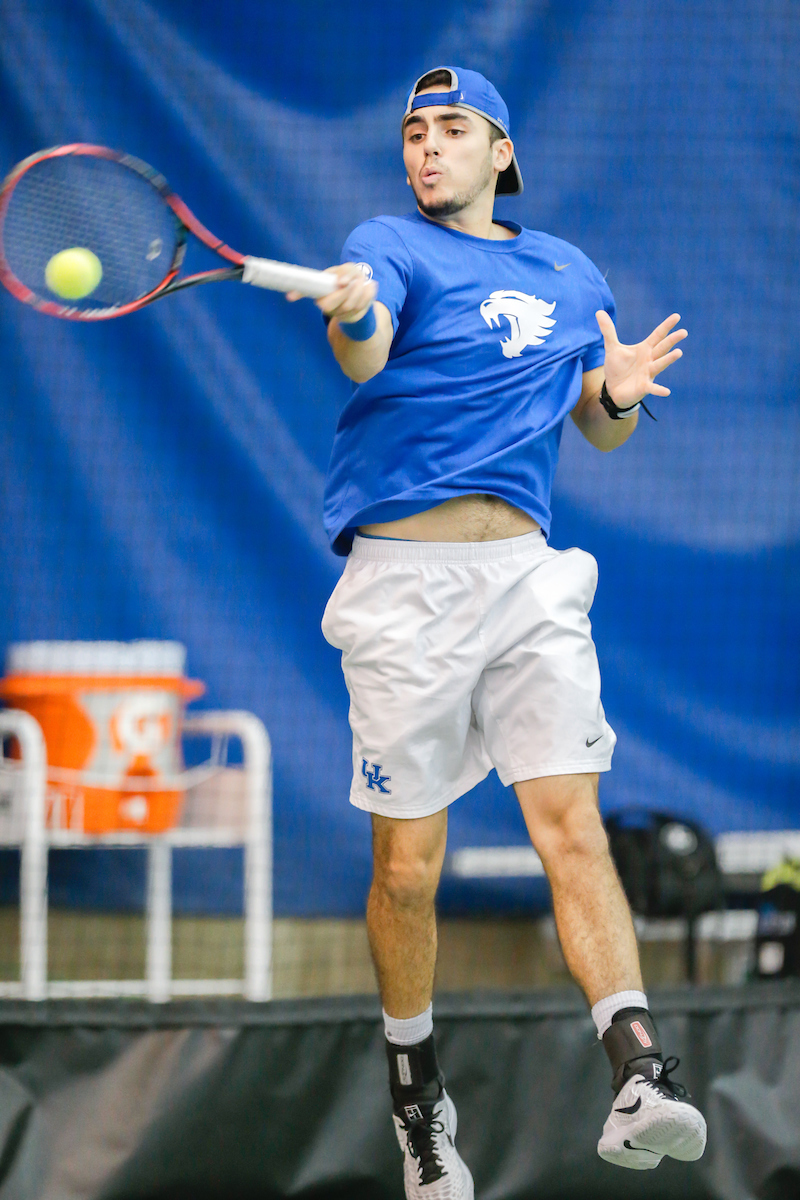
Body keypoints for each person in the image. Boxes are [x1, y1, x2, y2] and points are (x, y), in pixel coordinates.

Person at [299, 65, 707, 1199]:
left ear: (501, 153)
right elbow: (366, 348)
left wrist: (615, 389)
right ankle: (415, 1093)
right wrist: (354, 310)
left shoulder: (565, 272)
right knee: (407, 869)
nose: (426, 147)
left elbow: (601, 429)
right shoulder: (385, 240)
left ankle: (634, 1071)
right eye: (412, 132)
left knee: (567, 821)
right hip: (402, 591)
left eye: (451, 129)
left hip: (527, 578)